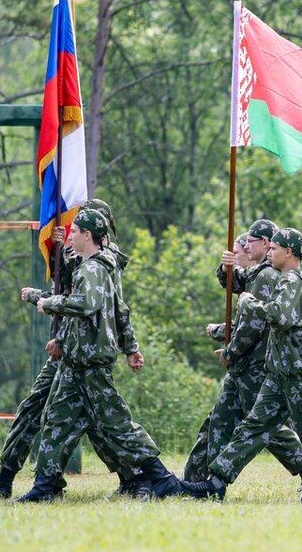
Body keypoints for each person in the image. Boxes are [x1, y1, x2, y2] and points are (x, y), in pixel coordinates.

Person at [0, 199, 149, 499]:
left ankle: (137, 476)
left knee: (99, 421)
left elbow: (110, 309)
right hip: (69, 347)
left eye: (79, 224)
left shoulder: (104, 261)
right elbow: (67, 287)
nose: (72, 228)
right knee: (39, 410)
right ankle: (10, 477)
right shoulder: (82, 256)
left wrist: (129, 347)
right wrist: (58, 253)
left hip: (81, 350)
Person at [16, 208, 182, 503]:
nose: (71, 236)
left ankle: (161, 478)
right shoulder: (91, 266)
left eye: (75, 232)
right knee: (55, 420)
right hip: (76, 361)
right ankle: (46, 486)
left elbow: (87, 304)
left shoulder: (93, 269)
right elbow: (119, 310)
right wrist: (130, 347)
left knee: (116, 424)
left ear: (88, 235)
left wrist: (50, 302)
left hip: (92, 361)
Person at [185, 228, 302, 502]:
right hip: (279, 374)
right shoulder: (288, 281)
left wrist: (250, 303)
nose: (270, 252)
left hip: (298, 374)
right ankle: (216, 481)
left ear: (289, 252)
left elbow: (280, 317)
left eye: (274, 248)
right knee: (252, 427)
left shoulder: (293, 282)